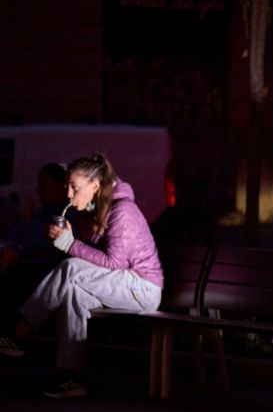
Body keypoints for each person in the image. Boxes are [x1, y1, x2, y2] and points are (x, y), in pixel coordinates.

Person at [0, 153, 163, 399]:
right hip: (118, 283)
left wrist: (70, 244)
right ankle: (72, 376)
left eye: (74, 188)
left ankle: (21, 330)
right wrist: (72, 236)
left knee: (72, 268)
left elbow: (114, 263)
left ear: (94, 186)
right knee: (73, 294)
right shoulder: (90, 212)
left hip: (142, 288)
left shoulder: (123, 211)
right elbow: (93, 257)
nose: (68, 194)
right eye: (67, 187)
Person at [0, 163, 78, 327]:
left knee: (15, 280)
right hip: (21, 265)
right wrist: (11, 249)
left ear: (61, 186)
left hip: (44, 272)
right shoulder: (38, 214)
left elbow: (54, 249)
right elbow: (14, 238)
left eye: (43, 185)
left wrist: (21, 251)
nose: (38, 190)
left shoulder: (68, 216)